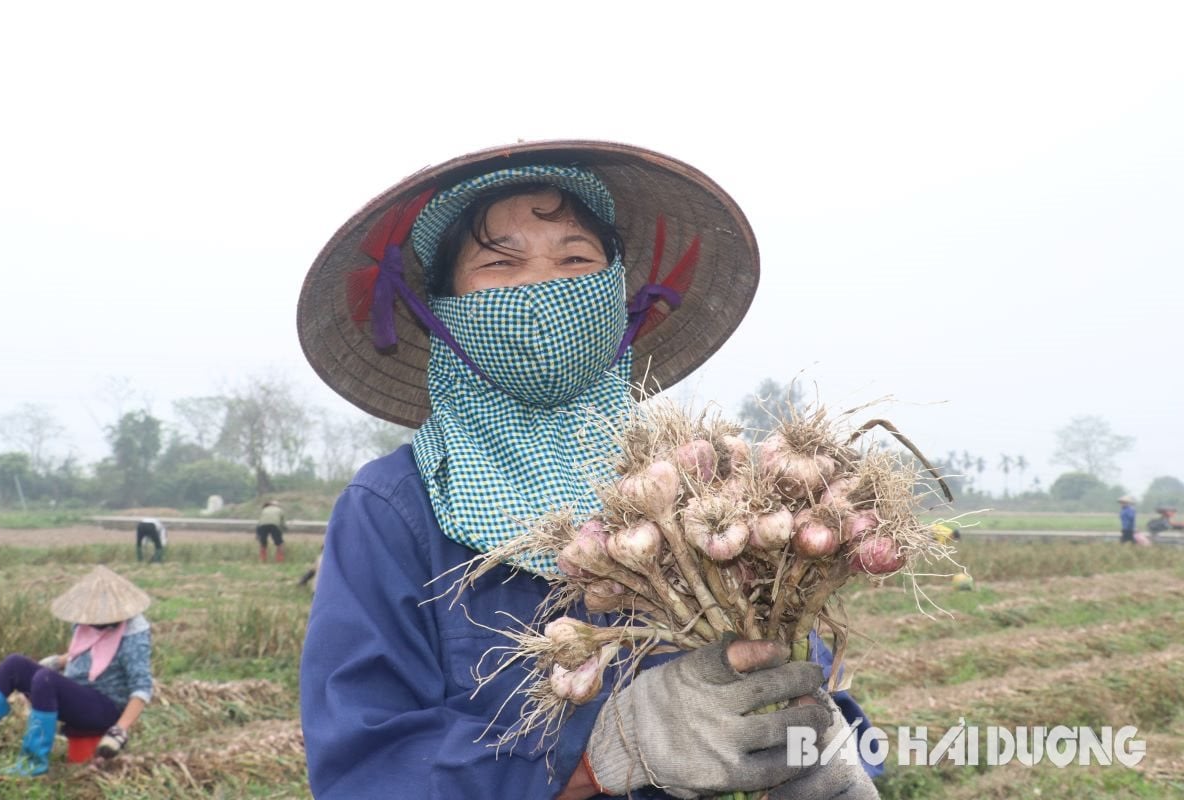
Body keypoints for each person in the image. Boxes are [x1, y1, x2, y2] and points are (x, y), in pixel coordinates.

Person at [297, 141, 878, 799]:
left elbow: (791, 667)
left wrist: (831, 747)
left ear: (613, 298)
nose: (545, 285)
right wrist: (599, 758)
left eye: (576, 259)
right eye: (499, 261)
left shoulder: (700, 494)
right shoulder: (392, 509)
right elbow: (365, 772)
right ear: (443, 309)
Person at [0, 565, 154, 776]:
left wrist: (120, 730)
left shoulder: (133, 636)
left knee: (45, 679)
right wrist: (57, 662)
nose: (93, 622)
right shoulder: (85, 624)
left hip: (104, 707)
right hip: (77, 694)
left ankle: (32, 763)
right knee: (15, 664)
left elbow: (142, 688)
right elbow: (86, 654)